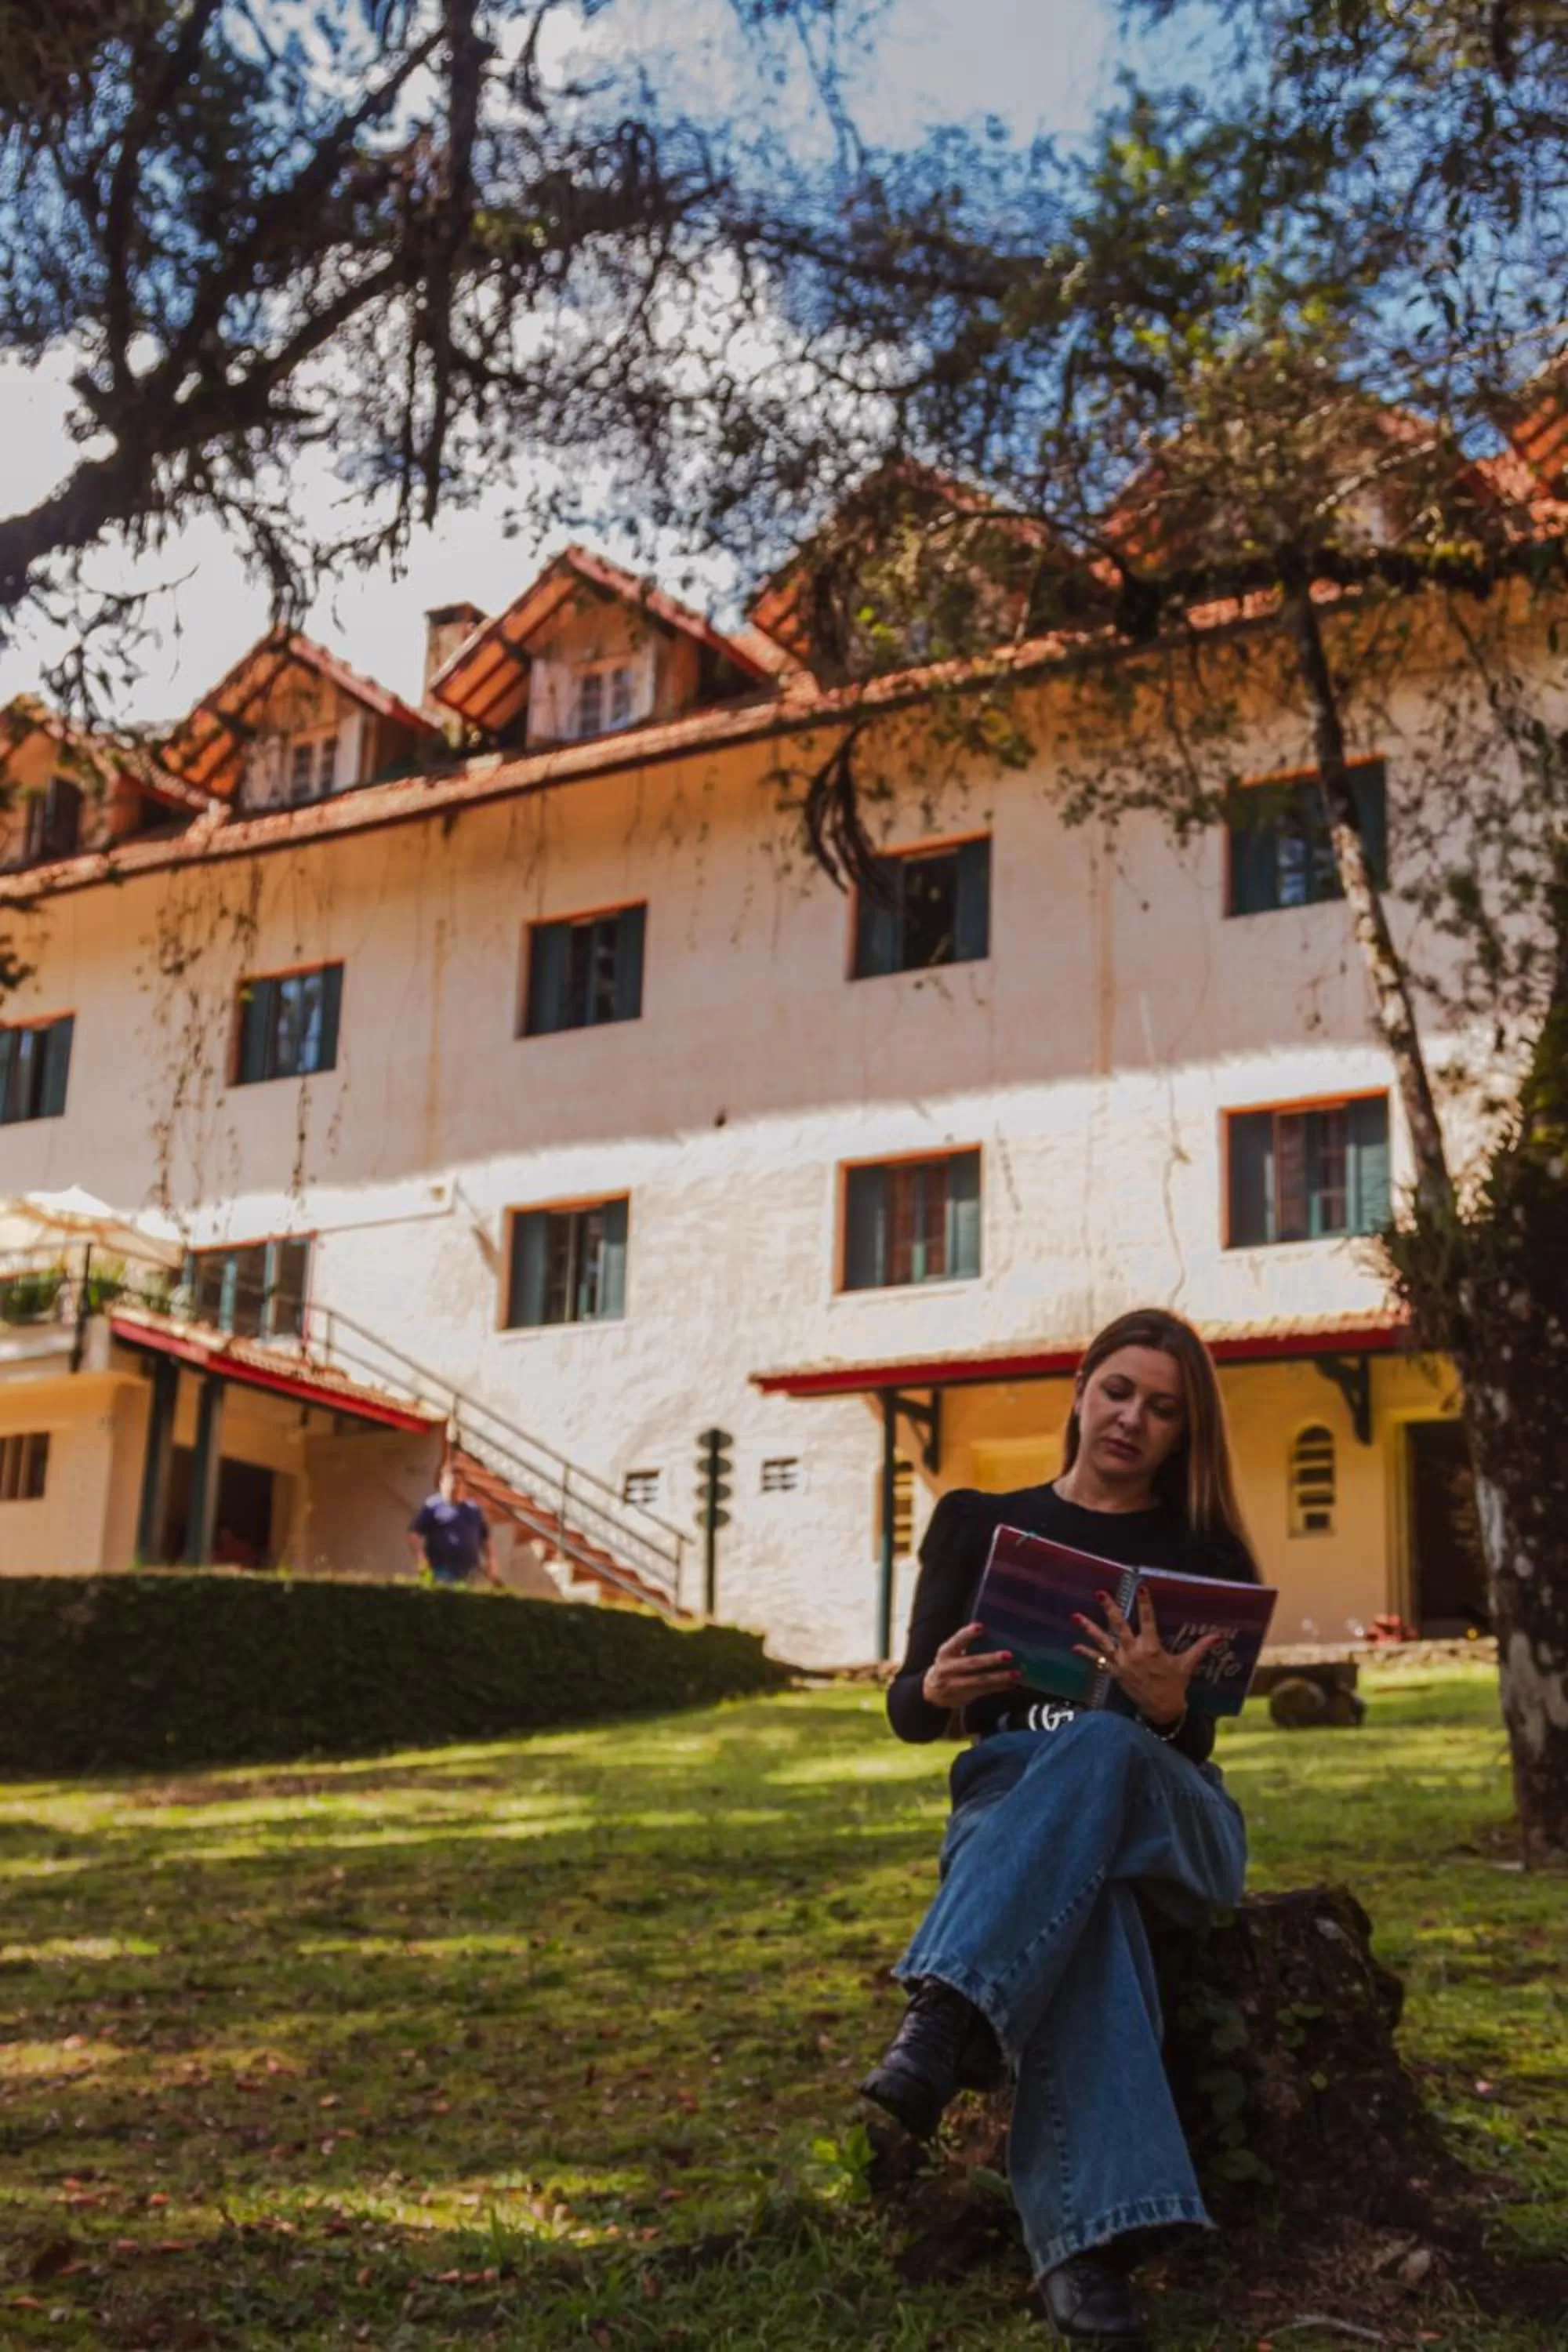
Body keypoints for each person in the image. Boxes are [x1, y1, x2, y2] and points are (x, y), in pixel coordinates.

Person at [862, 1308, 1259, 2349]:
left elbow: (1197, 1745)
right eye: (1118, 1391)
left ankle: (950, 2008)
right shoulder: (975, 1523)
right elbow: (909, 1707)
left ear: (1182, 1433)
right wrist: (933, 1688)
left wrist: (1164, 1706)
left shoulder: (1202, 1550)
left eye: (1162, 1409)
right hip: (1011, 1810)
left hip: (1172, 1815)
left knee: (1104, 1740)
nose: (1132, 1419)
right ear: (1081, 1391)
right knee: (1088, 1919)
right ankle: (1089, 2252)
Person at [407, 1458, 497, 1588]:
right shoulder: (432, 1506)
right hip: (441, 1570)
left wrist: (491, 1560)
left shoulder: (474, 1509)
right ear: (443, 1482)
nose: (456, 1486)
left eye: (459, 1483)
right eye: (453, 1482)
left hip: (469, 1572)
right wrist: (420, 1557)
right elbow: (414, 1533)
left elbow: (486, 1537)